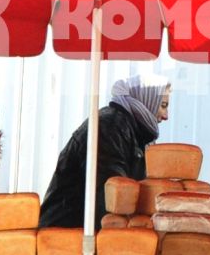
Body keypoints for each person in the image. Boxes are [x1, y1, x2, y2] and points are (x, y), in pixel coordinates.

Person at [38, 73, 170, 228]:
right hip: (68, 238)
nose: (166, 116)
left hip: (83, 234)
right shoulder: (110, 128)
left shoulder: (134, 131)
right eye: (163, 105)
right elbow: (111, 199)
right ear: (147, 100)